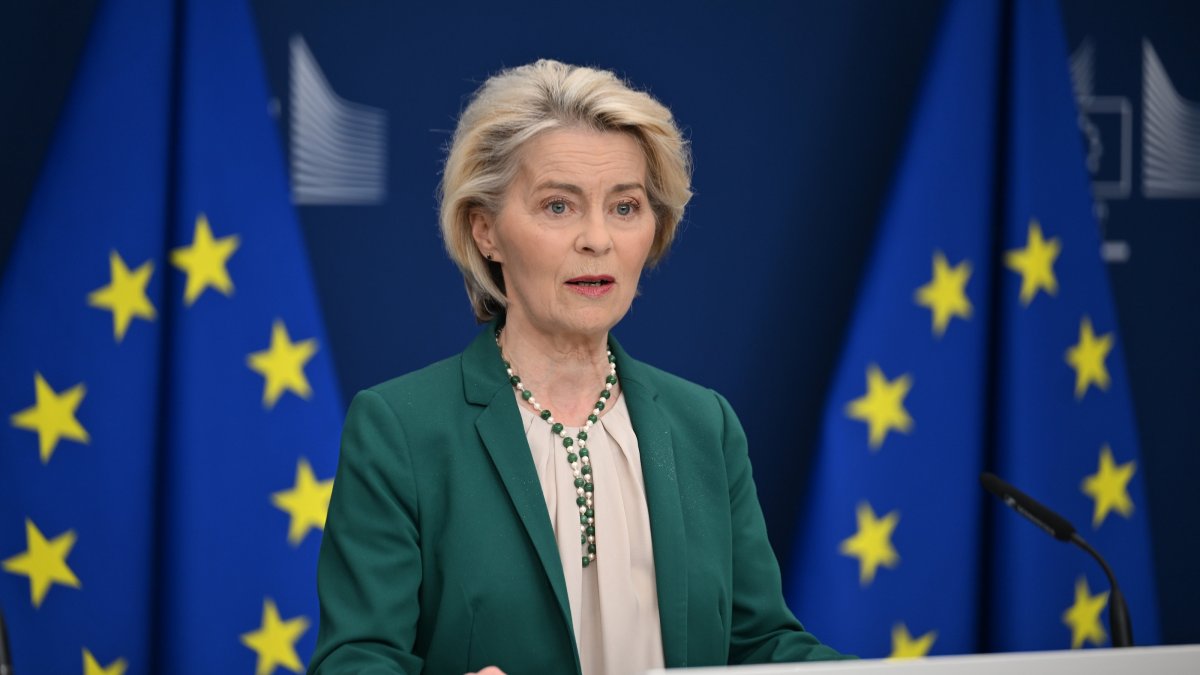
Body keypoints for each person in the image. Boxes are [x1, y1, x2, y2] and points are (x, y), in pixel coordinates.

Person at [308, 59, 846, 675]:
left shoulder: (705, 424)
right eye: (559, 207)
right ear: (486, 231)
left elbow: (763, 648)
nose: (598, 239)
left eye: (625, 207)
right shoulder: (400, 429)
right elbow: (354, 659)